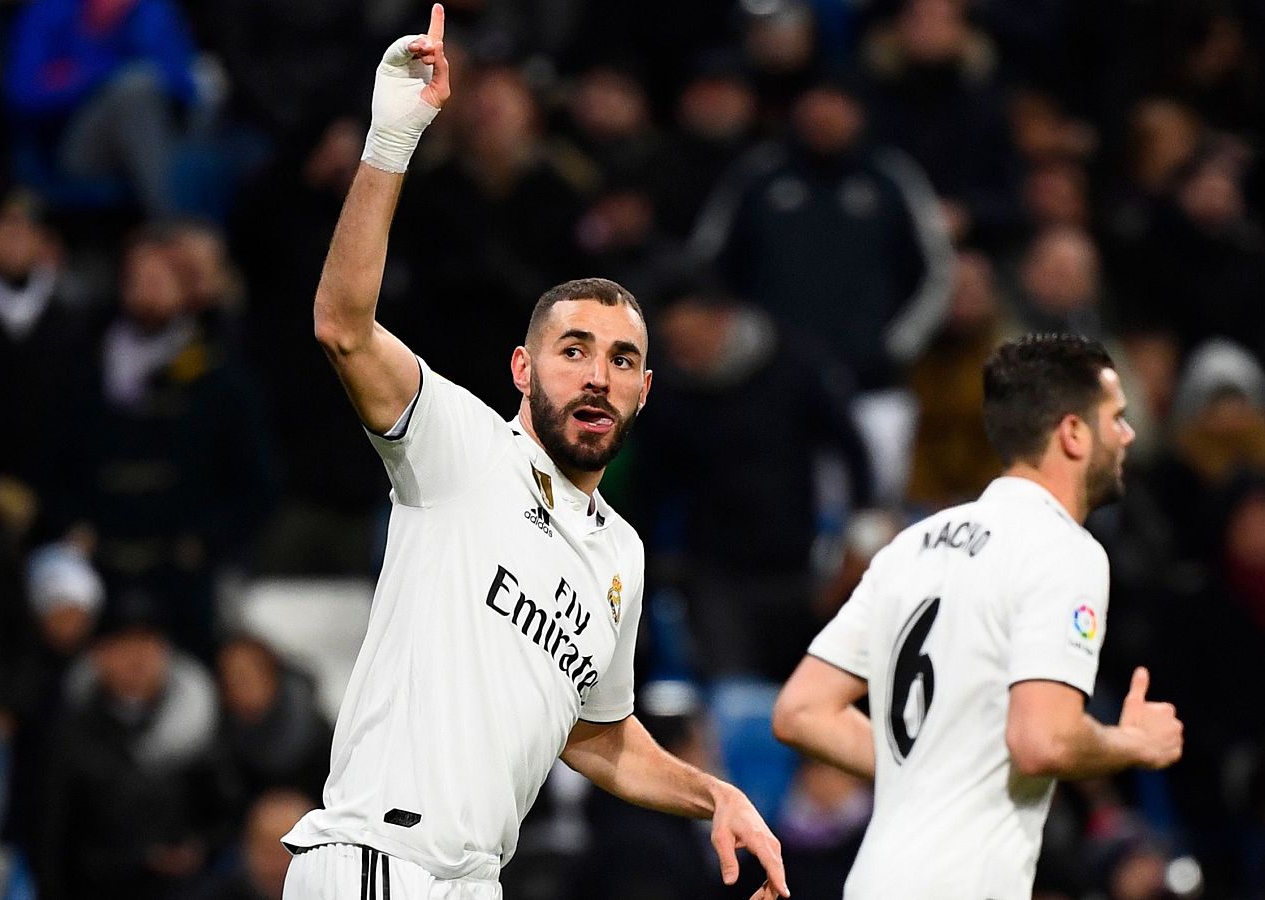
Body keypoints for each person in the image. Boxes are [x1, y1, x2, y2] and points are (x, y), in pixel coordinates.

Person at [280, 7, 788, 899]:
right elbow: (343, 326)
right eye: (574, 350)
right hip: (379, 861)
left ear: (644, 391)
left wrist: (714, 794)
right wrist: (392, 137)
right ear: (523, 368)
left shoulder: (619, 555)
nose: (598, 376)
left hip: (476, 881)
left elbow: (600, 737)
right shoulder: (461, 446)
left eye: (622, 359)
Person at [771, 334, 1184, 899]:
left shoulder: (910, 545)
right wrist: (1128, 743)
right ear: (1072, 433)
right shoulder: (1064, 549)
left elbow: (801, 710)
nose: (1128, 434)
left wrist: (927, 772)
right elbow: (1041, 740)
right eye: (1116, 417)